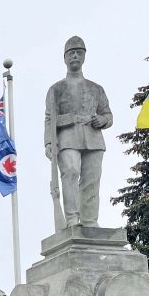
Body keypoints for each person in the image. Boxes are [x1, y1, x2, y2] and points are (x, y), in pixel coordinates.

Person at [44, 36, 112, 227]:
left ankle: (90, 221)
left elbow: (108, 114)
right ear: (65, 58)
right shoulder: (56, 89)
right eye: (71, 53)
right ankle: (73, 219)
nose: (75, 56)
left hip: (93, 138)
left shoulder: (96, 88)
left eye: (79, 53)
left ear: (84, 57)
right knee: (71, 172)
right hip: (67, 137)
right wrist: (49, 142)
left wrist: (103, 120)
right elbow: (50, 117)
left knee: (92, 180)